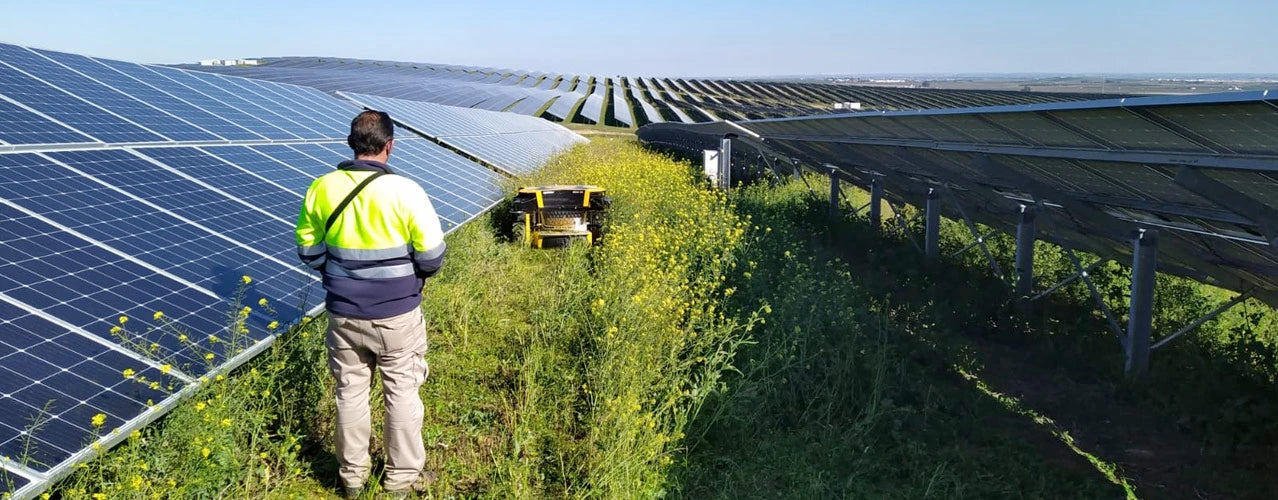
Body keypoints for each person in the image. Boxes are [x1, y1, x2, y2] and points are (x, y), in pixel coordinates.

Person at [295, 110, 446, 499]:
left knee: (349, 391)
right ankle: (401, 480)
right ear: (389, 146)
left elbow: (309, 251)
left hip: (343, 312)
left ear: (351, 144)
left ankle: (352, 478)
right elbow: (431, 258)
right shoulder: (406, 191)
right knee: (401, 391)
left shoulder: (321, 188)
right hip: (397, 315)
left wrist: (345, 273)